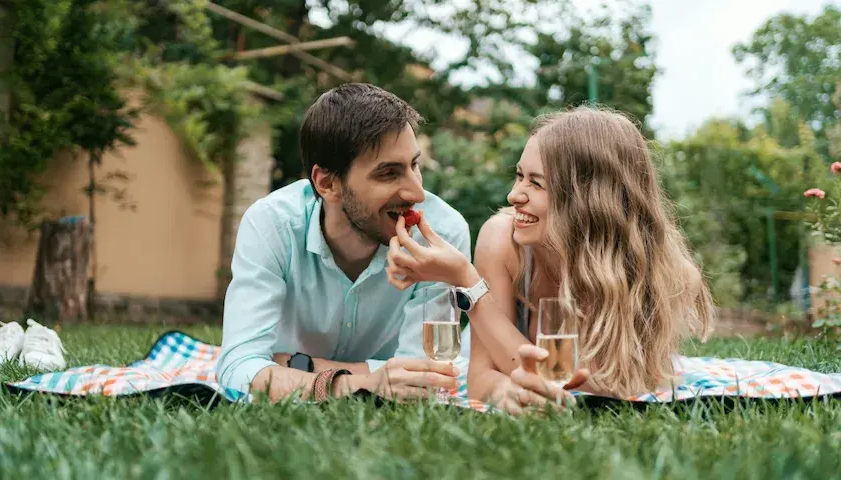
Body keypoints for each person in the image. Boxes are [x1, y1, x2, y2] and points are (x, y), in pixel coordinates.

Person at [385, 106, 714, 414]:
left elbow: (605, 382)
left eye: (536, 183)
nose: (514, 195)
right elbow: (481, 380)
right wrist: (508, 394)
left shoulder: (667, 274)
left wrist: (469, 283)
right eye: (519, 176)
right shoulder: (503, 240)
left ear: (589, 199)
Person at [217, 83, 472, 402]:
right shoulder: (272, 224)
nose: (417, 193)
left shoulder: (442, 233)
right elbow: (238, 368)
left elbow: (424, 376)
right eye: (389, 173)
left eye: (414, 166)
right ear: (328, 184)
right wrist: (351, 385)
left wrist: (302, 366)